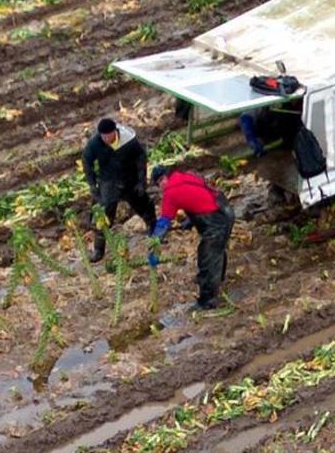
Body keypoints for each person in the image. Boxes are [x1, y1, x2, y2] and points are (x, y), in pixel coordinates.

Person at [152, 164, 232, 311]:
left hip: (216, 219)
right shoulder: (183, 176)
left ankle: (207, 301)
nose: (161, 187)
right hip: (224, 208)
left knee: (208, 257)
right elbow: (199, 193)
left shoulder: (170, 192)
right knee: (217, 250)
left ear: (163, 179)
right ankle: (217, 279)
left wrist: (154, 246)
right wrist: (191, 220)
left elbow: (163, 224)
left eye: (159, 184)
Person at [78, 115, 153, 260]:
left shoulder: (128, 140)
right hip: (108, 181)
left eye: (109, 135)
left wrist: (141, 180)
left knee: (143, 205)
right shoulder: (95, 144)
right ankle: (99, 249)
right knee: (104, 215)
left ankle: (155, 232)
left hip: (129, 178)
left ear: (115, 131)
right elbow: (87, 162)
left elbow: (140, 158)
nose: (106, 139)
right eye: (103, 136)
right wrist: (92, 184)